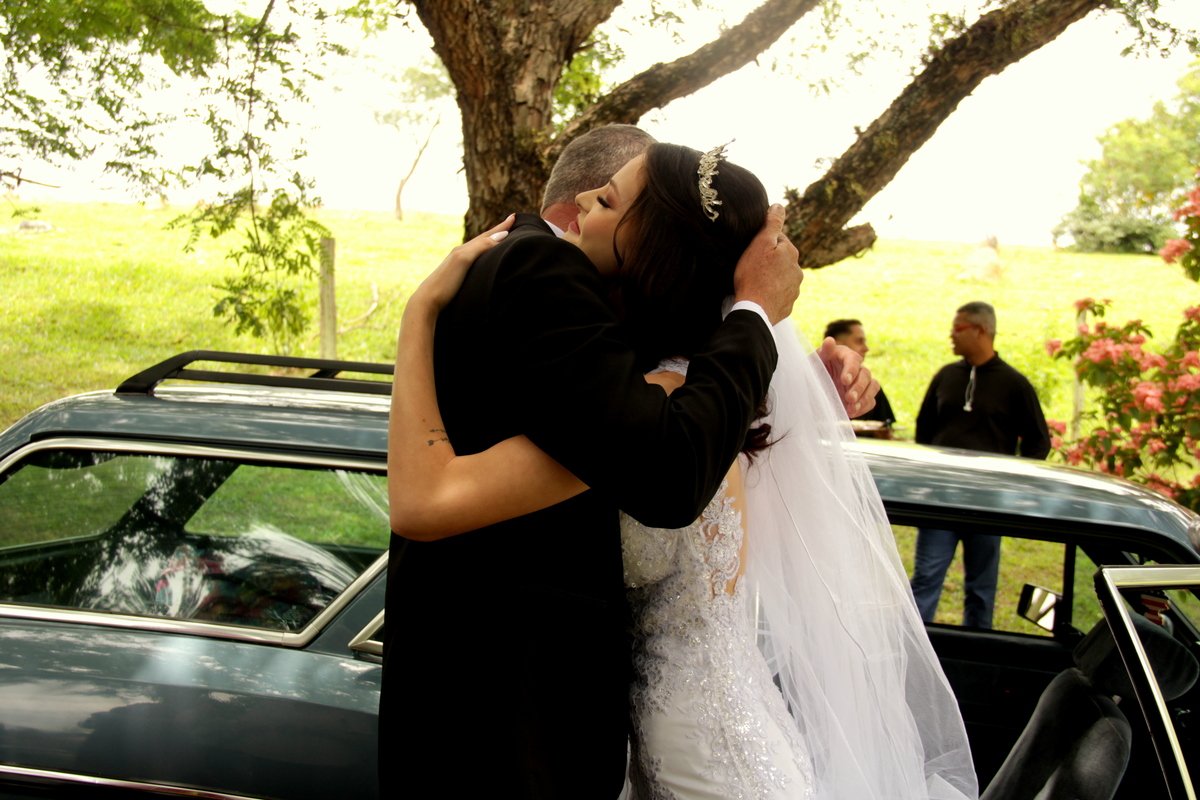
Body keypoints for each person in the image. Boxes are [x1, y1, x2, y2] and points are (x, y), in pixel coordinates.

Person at [389, 143, 975, 800]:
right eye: (602, 193)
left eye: (612, 199)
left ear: (660, 245)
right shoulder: (643, 386)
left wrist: (800, 370)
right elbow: (432, 500)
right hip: (557, 720)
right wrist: (756, 323)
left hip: (682, 728)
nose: (587, 204)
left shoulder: (668, 394)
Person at [910, 301, 1051, 629]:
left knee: (981, 589)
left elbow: (1038, 442)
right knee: (925, 580)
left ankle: (977, 655)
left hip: (987, 506)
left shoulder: (1014, 384)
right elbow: (924, 428)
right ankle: (916, 655)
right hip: (939, 502)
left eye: (958, 328)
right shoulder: (946, 376)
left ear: (981, 330)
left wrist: (1013, 486)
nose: (951, 335)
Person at [824, 318, 895, 437]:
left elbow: (886, 430)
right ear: (837, 345)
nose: (866, 348)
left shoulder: (869, 387)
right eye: (859, 341)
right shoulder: (813, 385)